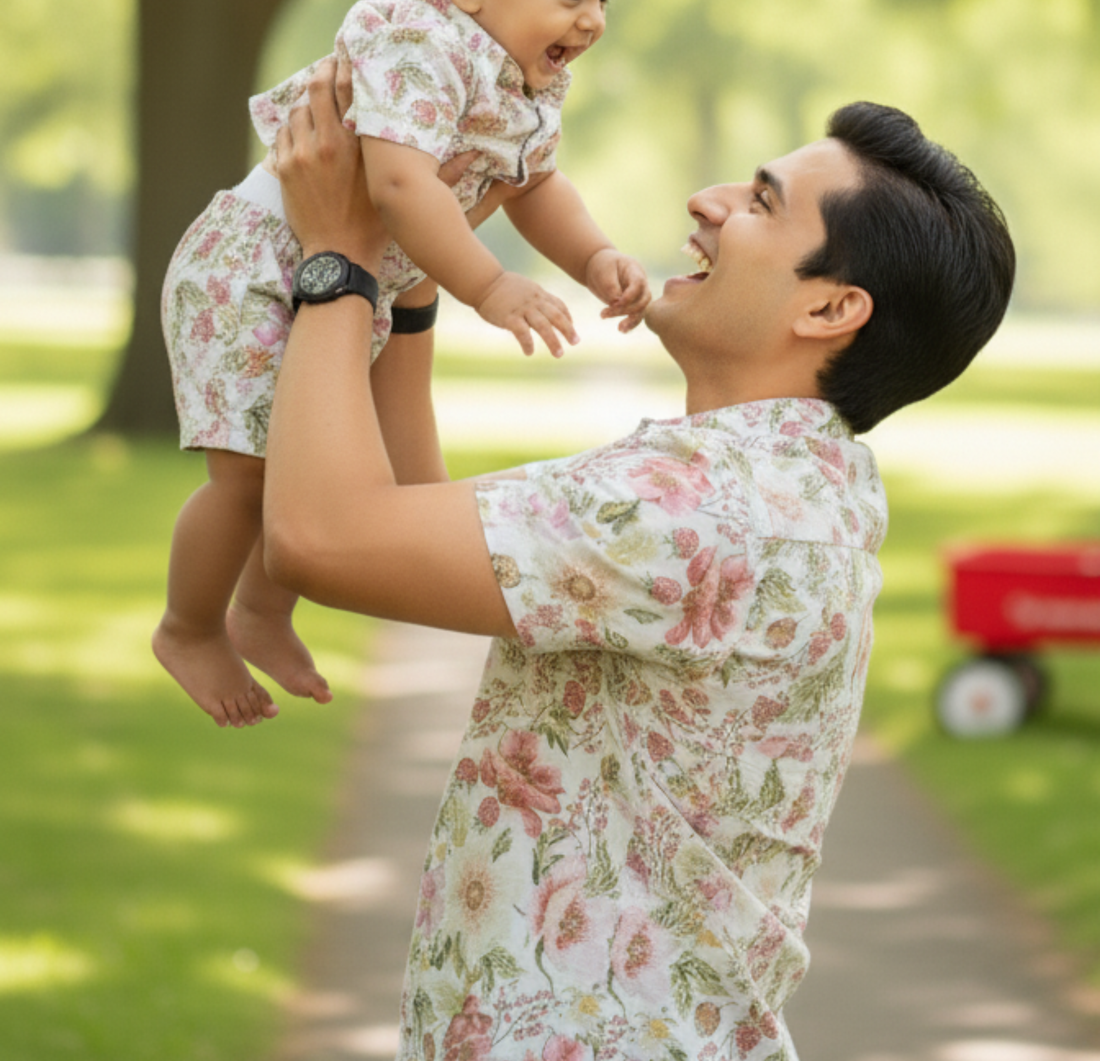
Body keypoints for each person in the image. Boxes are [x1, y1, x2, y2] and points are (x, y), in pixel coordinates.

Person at [261, 70, 1015, 1061]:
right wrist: (409, 286)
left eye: (757, 204)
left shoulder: (691, 508)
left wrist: (337, 260)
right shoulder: (805, 482)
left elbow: (323, 538)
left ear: (830, 309)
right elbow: (410, 526)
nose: (704, 204)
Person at [155, 0, 650, 729]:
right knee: (244, 480)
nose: (593, 21)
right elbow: (396, 181)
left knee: (302, 468)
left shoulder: (521, 79)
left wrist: (594, 256)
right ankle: (188, 626)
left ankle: (261, 612)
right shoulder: (418, 47)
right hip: (253, 267)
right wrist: (490, 286)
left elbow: (536, 184)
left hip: (346, 279)